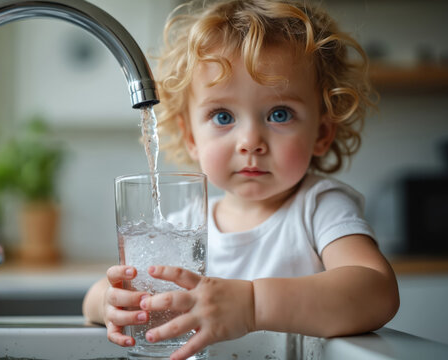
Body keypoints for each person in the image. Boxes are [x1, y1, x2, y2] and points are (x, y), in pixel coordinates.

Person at [82, 1, 400, 359]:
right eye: (222, 116)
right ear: (191, 137)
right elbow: (93, 298)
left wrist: (252, 305)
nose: (250, 141)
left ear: (322, 133)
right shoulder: (189, 224)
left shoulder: (319, 206)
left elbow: (377, 291)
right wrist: (109, 303)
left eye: (280, 113)